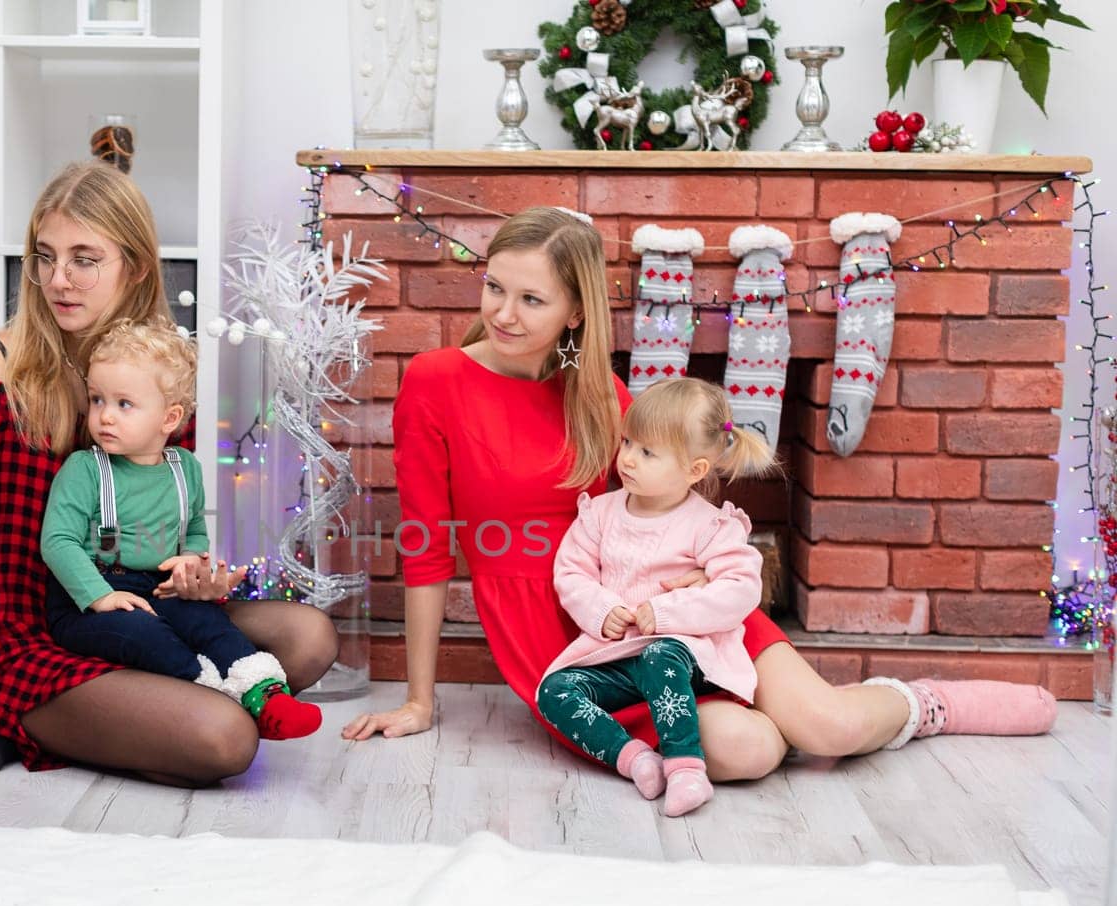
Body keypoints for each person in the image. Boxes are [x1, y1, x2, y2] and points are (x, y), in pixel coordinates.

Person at [342, 206, 1057, 779]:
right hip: (577, 640)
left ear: (576, 312)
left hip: (679, 608)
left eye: (532, 299)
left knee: (827, 729)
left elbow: (674, 504)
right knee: (753, 750)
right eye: (495, 287)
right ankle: (781, 713)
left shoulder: (603, 397)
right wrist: (419, 698)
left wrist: (699, 571)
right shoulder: (435, 381)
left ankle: (932, 703)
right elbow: (426, 549)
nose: (503, 313)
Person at [0, 161, 338, 787]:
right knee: (227, 740)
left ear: (136, 266)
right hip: (21, 637)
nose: (58, 279)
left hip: (139, 607)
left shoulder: (158, 369)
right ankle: (158, 704)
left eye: (85, 259)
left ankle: (165, 693)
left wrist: (196, 574)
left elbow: (171, 522)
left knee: (308, 636)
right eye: (45, 256)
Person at [40, 321, 322, 740]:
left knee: (209, 623)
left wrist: (190, 561)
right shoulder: (85, 469)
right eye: (98, 400)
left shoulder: (183, 468)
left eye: (124, 404)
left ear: (168, 418)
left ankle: (266, 693)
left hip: (158, 586)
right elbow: (57, 541)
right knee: (145, 633)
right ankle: (210, 693)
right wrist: (101, 597)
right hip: (91, 599)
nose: (105, 416)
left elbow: (192, 530)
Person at [536, 378, 776, 817]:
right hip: (617, 658)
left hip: (684, 658)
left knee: (660, 656)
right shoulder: (601, 514)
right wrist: (601, 608)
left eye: (647, 452)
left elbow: (741, 588)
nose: (627, 458)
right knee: (554, 691)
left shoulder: (708, 526)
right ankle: (636, 760)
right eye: (627, 442)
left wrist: (666, 612)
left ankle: (686, 768)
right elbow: (571, 571)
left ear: (694, 470)